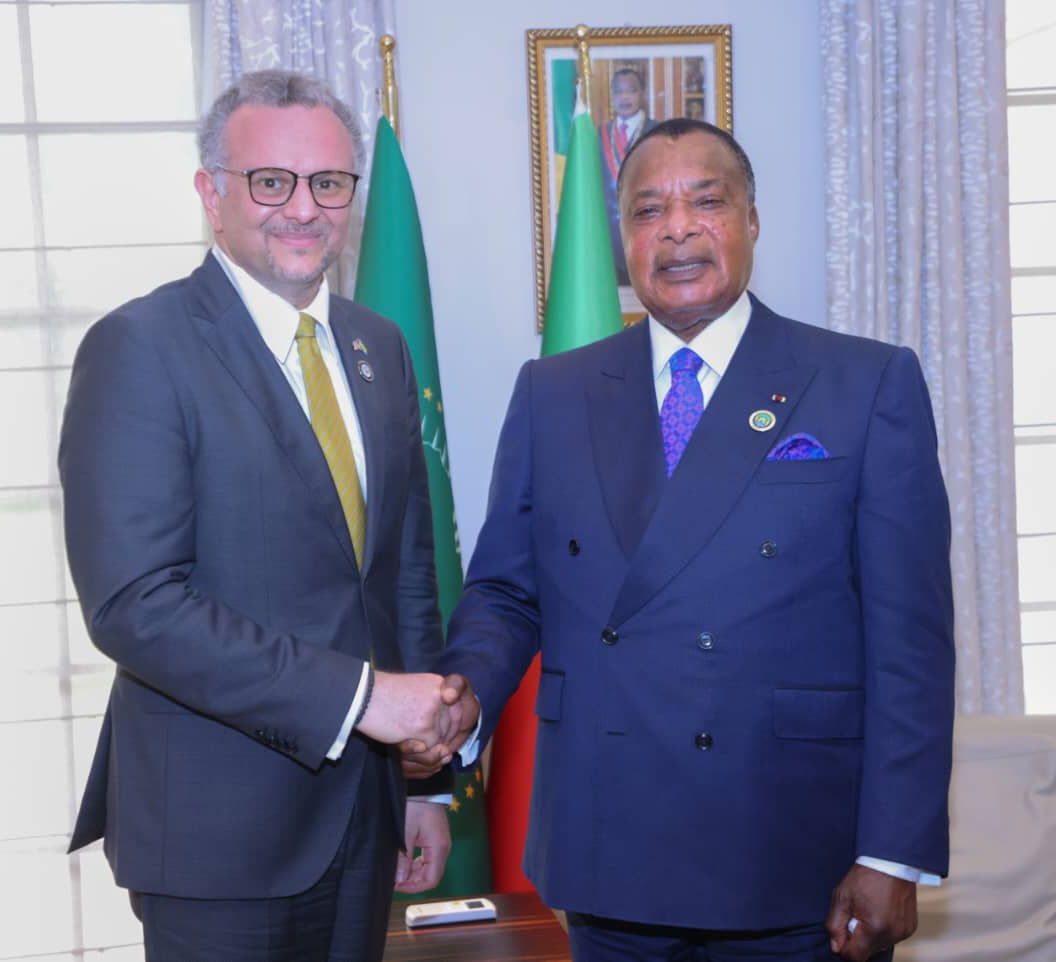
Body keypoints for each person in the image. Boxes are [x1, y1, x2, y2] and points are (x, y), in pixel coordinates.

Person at [407, 118, 955, 961]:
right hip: (610, 842)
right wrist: (464, 698)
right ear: (624, 238)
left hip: (793, 849)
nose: (677, 229)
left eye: (707, 202)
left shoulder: (865, 382)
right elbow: (507, 592)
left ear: (751, 220)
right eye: (647, 210)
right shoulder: (554, 392)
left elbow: (910, 640)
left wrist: (892, 851)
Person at [59, 69, 476, 962]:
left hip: (366, 814)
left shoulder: (378, 346)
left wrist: (426, 782)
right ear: (212, 194)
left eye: (328, 183)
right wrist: (365, 700)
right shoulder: (140, 348)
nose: (303, 208)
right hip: (216, 833)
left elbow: (403, 572)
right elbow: (135, 604)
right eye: (271, 181)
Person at [598, 67, 657, 285]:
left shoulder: (657, 133)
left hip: (648, 227)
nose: (624, 97)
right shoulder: (598, 134)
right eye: (618, 92)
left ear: (643, 94)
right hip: (607, 236)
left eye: (631, 91)